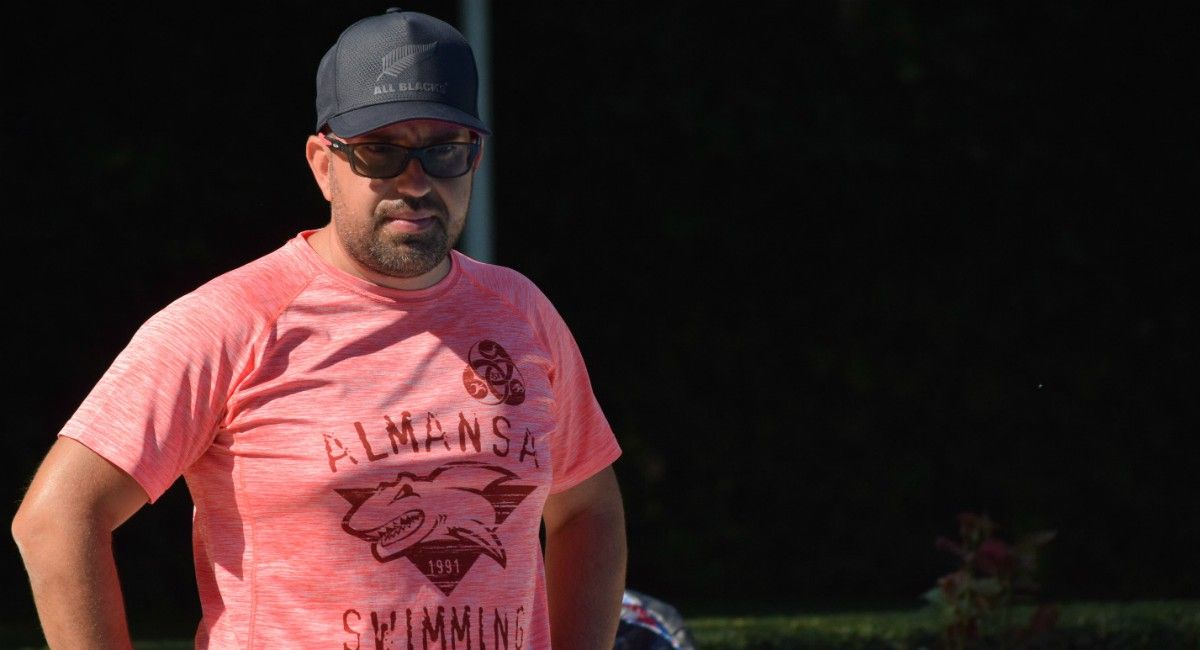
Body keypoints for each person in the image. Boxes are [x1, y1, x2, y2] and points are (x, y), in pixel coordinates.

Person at [12, 8, 627, 649]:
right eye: (380, 152)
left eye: (442, 151)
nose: (414, 181)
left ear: (474, 161)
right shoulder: (231, 321)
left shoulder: (521, 312)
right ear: (322, 164)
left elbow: (586, 508)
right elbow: (58, 518)